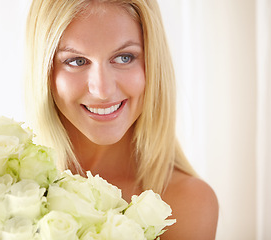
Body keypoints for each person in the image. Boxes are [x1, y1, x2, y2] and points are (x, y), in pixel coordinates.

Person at [25, 0, 218, 239]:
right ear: (44, 70)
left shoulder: (187, 203)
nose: (103, 90)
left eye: (124, 57)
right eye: (76, 61)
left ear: (153, 63)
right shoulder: (8, 191)